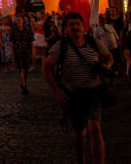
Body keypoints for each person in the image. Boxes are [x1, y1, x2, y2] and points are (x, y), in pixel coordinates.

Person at [43, 11, 113, 164]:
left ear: (83, 26)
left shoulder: (93, 43)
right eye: (71, 25)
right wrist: (57, 92)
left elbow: (108, 56)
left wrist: (107, 67)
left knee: (95, 128)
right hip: (74, 95)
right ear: (66, 28)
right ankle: (81, 158)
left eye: (77, 24)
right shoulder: (61, 46)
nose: (75, 27)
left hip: (94, 92)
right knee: (80, 132)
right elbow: (46, 67)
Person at [11, 14, 34, 95]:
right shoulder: (14, 30)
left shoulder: (27, 30)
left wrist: (32, 52)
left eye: (20, 20)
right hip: (18, 51)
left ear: (23, 21)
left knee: (26, 69)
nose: (18, 22)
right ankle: (24, 85)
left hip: (26, 51)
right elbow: (12, 42)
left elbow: (31, 41)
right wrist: (13, 53)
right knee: (20, 68)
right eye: (17, 20)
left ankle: (24, 82)